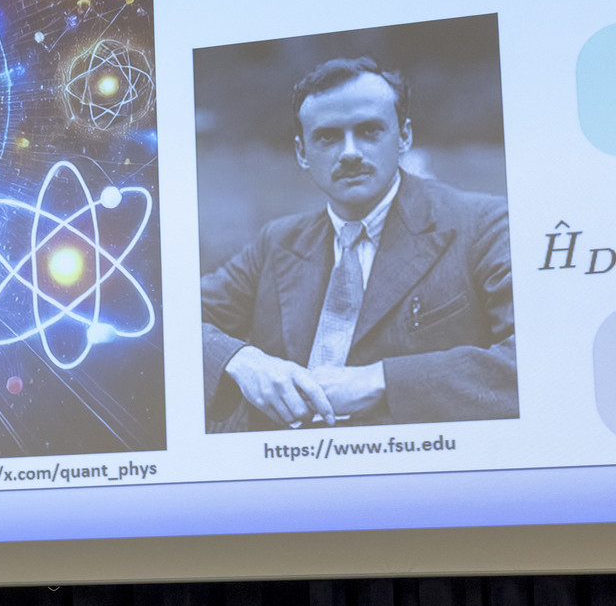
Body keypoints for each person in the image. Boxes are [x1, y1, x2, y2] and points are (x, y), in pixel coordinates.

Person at [201, 56, 516, 432]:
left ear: (404, 137)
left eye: (369, 131)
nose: (349, 152)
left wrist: (380, 381)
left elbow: (529, 358)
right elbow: (170, 322)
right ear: (302, 153)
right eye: (328, 137)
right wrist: (241, 359)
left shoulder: (482, 224)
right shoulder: (277, 242)